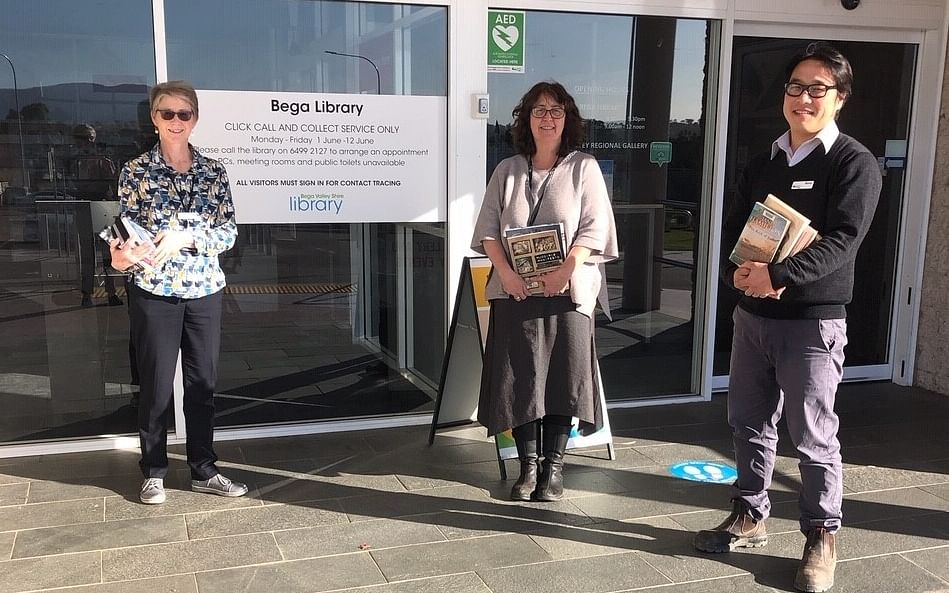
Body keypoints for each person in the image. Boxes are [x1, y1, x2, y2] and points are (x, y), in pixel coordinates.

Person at [692, 43, 882, 593]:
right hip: (752, 319)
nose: (803, 97)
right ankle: (751, 513)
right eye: (795, 87)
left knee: (814, 435)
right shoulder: (767, 159)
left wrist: (779, 276)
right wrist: (739, 271)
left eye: (817, 88)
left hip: (812, 323)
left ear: (839, 99)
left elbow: (844, 240)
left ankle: (822, 536)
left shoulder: (853, 162)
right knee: (748, 422)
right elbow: (738, 224)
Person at [471, 81, 617, 503]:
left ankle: (553, 469)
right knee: (520, 380)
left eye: (555, 110)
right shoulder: (507, 170)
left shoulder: (583, 168)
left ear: (567, 118)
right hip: (516, 294)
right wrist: (508, 276)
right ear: (525, 120)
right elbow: (488, 232)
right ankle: (527, 467)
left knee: (561, 380)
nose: (547, 118)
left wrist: (566, 272)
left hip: (567, 292)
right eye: (538, 110)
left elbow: (594, 228)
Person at [108, 80, 247, 505]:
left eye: (183, 114)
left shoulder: (213, 171)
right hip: (154, 291)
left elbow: (228, 232)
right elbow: (126, 230)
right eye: (166, 113)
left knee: (202, 383)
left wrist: (187, 239)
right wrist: (121, 255)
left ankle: (204, 469)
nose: (175, 121)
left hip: (204, 290)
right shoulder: (135, 171)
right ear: (154, 119)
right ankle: (153, 470)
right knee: (155, 385)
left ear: (195, 120)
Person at [70, 123, 122, 307]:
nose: (84, 143)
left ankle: (111, 292)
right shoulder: (73, 161)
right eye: (81, 139)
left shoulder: (103, 161)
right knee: (87, 253)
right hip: (86, 205)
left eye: (87, 139)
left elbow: (112, 186)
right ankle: (88, 293)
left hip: (102, 206)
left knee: (108, 253)